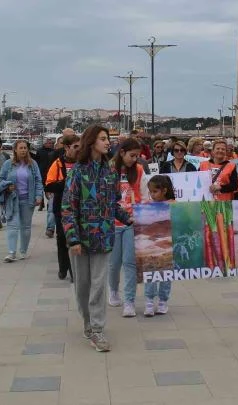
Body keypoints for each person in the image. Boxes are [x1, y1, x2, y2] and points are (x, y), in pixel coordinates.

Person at [62, 125, 132, 352]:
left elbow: (113, 203)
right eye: (103, 138)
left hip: (104, 237)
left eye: (108, 138)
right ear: (91, 142)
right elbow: (67, 208)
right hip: (81, 239)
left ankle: (97, 329)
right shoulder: (77, 172)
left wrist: (128, 218)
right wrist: (73, 239)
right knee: (82, 286)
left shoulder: (110, 172)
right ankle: (87, 324)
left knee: (99, 285)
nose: (107, 142)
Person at [108, 138, 144, 317]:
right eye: (132, 155)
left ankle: (129, 301)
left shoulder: (139, 170)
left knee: (130, 262)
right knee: (114, 263)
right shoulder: (108, 169)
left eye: (137, 156)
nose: (134, 159)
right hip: (112, 222)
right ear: (122, 153)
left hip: (132, 220)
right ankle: (113, 291)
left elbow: (144, 193)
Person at [0, 139, 43, 262]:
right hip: (12, 200)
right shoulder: (8, 164)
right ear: (15, 150)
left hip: (28, 200)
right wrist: (7, 186)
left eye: (25, 148)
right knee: (12, 225)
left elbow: (38, 180)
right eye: (20, 148)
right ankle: (11, 252)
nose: (23, 150)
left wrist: (39, 196)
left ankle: (23, 251)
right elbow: (0, 180)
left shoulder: (33, 164)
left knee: (26, 227)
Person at [45, 135, 80, 280]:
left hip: (79, 207)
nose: (78, 150)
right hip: (61, 206)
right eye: (75, 147)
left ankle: (74, 270)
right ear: (66, 147)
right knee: (62, 237)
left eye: (80, 147)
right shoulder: (58, 163)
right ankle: (63, 267)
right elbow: (49, 185)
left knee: (75, 237)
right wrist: (68, 182)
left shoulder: (83, 163)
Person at [143, 175, 176, 317]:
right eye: (150, 192)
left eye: (155, 191)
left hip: (169, 246)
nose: (152, 195)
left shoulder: (174, 204)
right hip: (151, 247)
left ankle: (163, 301)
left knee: (166, 274)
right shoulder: (147, 205)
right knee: (150, 272)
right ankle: (149, 301)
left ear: (164, 190)